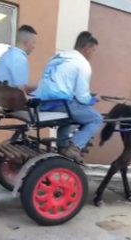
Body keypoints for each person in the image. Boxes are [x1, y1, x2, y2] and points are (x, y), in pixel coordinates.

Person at [32, 31, 103, 162]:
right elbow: (82, 98)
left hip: (40, 103)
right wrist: (93, 99)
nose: (93, 54)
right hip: (59, 104)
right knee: (96, 119)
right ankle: (74, 147)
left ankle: (62, 145)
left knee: (70, 115)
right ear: (86, 48)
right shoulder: (82, 63)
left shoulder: (57, 56)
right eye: (93, 50)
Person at [0, 25, 37, 94]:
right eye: (33, 43)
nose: (34, 47)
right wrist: (40, 86)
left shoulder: (6, 55)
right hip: (11, 101)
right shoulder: (19, 58)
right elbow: (21, 88)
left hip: (2, 99)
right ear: (27, 42)